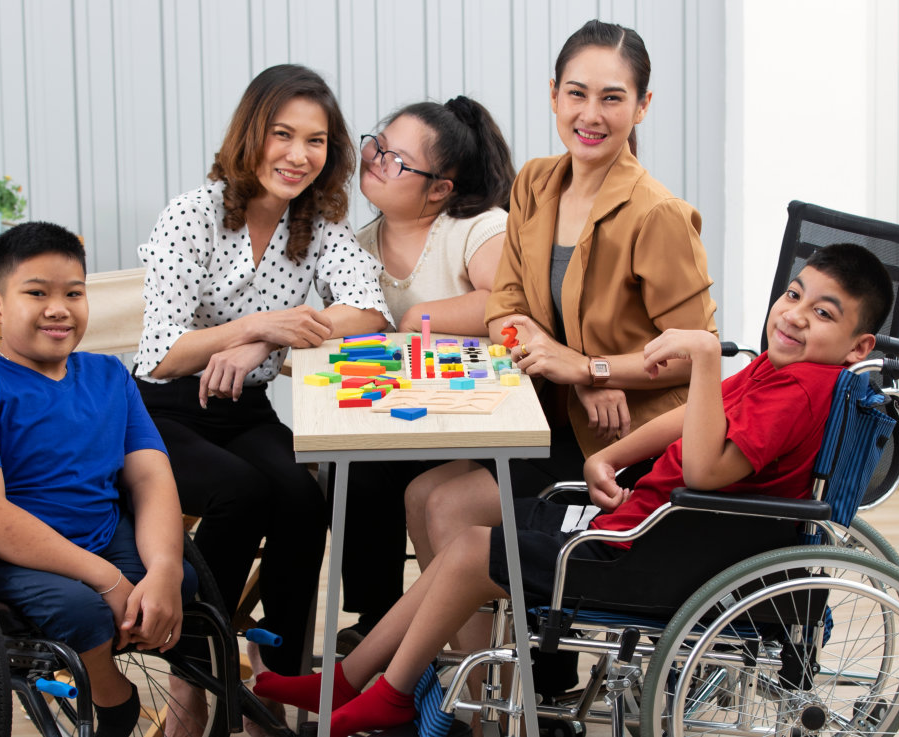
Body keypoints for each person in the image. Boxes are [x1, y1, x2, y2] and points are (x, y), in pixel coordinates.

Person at [254, 243, 894, 737]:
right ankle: (351, 679)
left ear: (859, 344)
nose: (795, 315)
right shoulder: (782, 371)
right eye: (794, 295)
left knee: (475, 549)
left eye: (823, 313)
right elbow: (695, 417)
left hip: (660, 554)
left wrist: (702, 358)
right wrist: (612, 454)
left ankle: (385, 693)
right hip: (646, 525)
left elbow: (705, 470)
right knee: (469, 546)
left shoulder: (798, 390)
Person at [404, 22, 718, 669]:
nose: (590, 114)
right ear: (552, 95)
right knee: (418, 495)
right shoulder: (537, 184)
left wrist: (591, 366)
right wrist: (574, 372)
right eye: (576, 94)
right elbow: (507, 310)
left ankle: (497, 688)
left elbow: (694, 350)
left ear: (642, 105)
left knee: (446, 503)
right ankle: (486, 675)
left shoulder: (656, 213)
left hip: (628, 441)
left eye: (611, 97)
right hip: (556, 417)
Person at [134, 63, 390, 682]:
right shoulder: (191, 215)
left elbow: (371, 312)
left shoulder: (318, 228)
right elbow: (163, 353)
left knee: (304, 499)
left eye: (316, 141)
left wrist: (261, 343)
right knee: (242, 494)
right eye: (283, 134)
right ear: (251, 134)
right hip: (160, 409)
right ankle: (195, 670)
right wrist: (260, 328)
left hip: (243, 410)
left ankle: (278, 674)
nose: (298, 155)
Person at [0, 222, 195, 737]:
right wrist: (105, 579)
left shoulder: (108, 376)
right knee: (80, 608)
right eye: (36, 293)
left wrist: (165, 569)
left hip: (97, 531)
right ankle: (112, 697)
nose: (58, 307)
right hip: (0, 551)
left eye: (73, 293)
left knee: (181, 581)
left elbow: (152, 479)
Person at [337, 96, 516, 650]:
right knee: (355, 475)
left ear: (439, 188)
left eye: (397, 159)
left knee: (396, 481)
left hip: (471, 424)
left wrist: (422, 318)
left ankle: (430, 640)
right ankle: (379, 621)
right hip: (402, 418)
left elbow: (507, 302)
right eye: (378, 144)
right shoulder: (357, 247)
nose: (375, 159)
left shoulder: (475, 229)